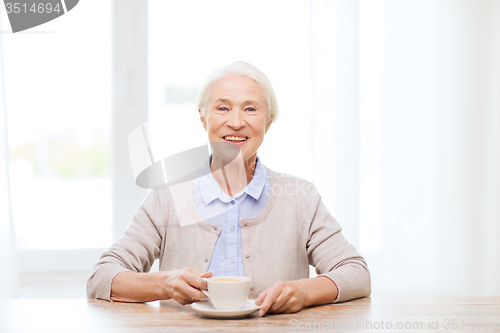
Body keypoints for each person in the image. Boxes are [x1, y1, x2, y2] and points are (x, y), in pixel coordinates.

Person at [87, 61, 370, 316]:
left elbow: (356, 273)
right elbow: (102, 277)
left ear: (268, 122)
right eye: (222, 108)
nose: (236, 122)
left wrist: (303, 292)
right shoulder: (168, 197)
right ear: (203, 118)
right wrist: (166, 283)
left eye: (250, 108)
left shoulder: (300, 198)